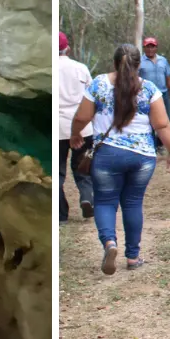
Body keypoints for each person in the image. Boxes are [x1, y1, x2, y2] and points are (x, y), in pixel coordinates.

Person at [71, 43, 170, 275]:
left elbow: (82, 117)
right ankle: (133, 256)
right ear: (139, 65)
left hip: (107, 155)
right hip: (142, 158)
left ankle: (110, 243)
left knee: (105, 202)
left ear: (114, 62)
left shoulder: (99, 83)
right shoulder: (149, 89)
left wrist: (75, 134)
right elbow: (161, 124)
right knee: (132, 203)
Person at [56, 32, 94, 222]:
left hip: (58, 128)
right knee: (83, 167)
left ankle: (61, 214)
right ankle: (87, 197)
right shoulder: (81, 68)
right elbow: (92, 97)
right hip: (82, 127)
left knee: (57, 173)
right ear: (67, 48)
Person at [139, 37, 170, 142]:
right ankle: (152, 144)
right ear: (144, 48)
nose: (150, 49)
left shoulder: (163, 61)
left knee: (167, 120)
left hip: (163, 94)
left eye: (152, 47)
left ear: (156, 48)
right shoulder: (140, 62)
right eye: (148, 47)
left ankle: (160, 142)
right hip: (147, 96)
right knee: (149, 121)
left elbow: (168, 78)